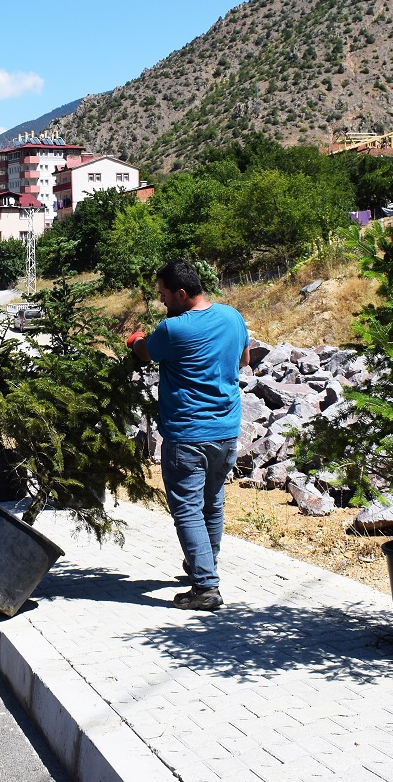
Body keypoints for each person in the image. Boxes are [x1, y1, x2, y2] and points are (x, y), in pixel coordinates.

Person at [127, 260, 249, 611]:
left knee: (188, 510)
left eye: (164, 295)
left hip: (187, 436)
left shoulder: (172, 328)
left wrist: (135, 338)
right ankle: (204, 563)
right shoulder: (233, 317)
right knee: (212, 502)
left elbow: (146, 352)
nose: (162, 302)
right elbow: (243, 359)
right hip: (226, 432)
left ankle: (206, 587)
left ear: (181, 294)